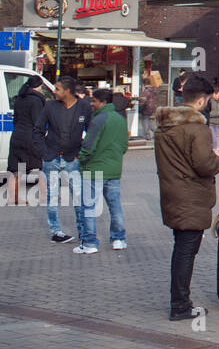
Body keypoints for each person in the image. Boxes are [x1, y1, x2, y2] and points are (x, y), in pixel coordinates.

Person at [155, 74, 219, 320]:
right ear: (202, 100)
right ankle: (180, 304)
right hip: (191, 197)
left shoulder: (165, 126)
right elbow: (204, 165)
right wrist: (217, 158)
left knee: (181, 248)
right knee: (186, 251)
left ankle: (180, 301)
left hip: (171, 193)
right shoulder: (197, 129)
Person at [34, 76, 92, 246]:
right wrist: (44, 152)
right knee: (52, 197)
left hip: (72, 159)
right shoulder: (50, 106)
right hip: (51, 158)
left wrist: (82, 154)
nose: (54, 91)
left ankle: (83, 232)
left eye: (57, 88)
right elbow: (37, 130)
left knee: (79, 197)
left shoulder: (84, 107)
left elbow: (91, 133)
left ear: (67, 91)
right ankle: (56, 231)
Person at [79, 88, 130, 251]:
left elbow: (89, 145)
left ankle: (89, 242)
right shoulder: (120, 119)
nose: (91, 103)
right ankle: (118, 239)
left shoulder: (98, 119)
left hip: (94, 168)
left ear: (103, 102)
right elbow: (123, 145)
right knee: (115, 205)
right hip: (113, 169)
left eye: (94, 101)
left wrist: (81, 158)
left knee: (89, 206)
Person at [6, 75, 45, 200]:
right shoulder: (36, 100)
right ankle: (46, 195)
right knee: (38, 166)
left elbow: (16, 120)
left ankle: (14, 197)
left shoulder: (19, 99)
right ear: (39, 86)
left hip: (17, 135)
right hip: (30, 137)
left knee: (15, 168)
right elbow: (37, 122)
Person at [139, 71, 162, 142]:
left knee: (145, 121)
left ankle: (147, 135)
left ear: (144, 83)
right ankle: (158, 133)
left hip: (146, 108)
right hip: (153, 107)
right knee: (152, 122)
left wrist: (140, 107)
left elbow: (143, 101)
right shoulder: (154, 90)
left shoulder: (145, 91)